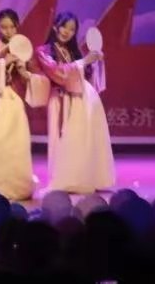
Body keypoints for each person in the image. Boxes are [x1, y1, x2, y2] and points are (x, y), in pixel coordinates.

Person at [0, 9, 50, 200]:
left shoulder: (23, 47)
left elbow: (40, 77)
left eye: (12, 27)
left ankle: (15, 186)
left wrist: (24, 73)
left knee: (14, 144)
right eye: (4, 27)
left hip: (13, 101)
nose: (8, 31)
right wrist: (2, 61)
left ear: (17, 26)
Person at [35, 11, 115, 194]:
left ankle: (85, 177)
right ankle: (64, 179)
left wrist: (95, 62)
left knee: (83, 139)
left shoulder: (74, 51)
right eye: (64, 26)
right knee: (63, 139)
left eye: (72, 29)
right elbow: (57, 73)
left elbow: (88, 77)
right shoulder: (44, 51)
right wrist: (83, 62)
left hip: (83, 99)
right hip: (61, 100)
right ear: (55, 26)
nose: (67, 32)